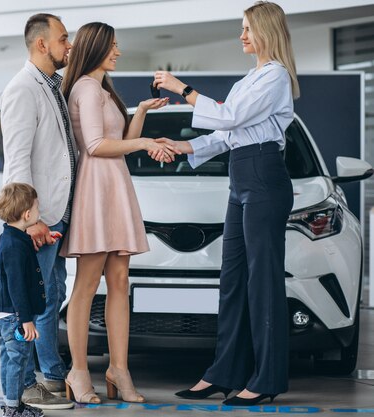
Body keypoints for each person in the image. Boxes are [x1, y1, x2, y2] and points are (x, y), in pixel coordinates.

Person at [153, 1, 299, 405]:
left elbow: (229, 116)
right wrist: (181, 146)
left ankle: (266, 379)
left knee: (263, 281)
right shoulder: (249, 79)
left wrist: (182, 88)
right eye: (241, 28)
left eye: (248, 29)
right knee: (232, 279)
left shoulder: (276, 78)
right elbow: (223, 133)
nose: (242, 35)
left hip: (265, 177)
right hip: (241, 176)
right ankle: (224, 372)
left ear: (266, 31)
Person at [59, 22, 173, 404]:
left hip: (114, 185)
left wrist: (139, 112)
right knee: (88, 284)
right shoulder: (86, 89)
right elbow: (94, 145)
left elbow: (119, 143)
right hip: (96, 189)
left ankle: (118, 369)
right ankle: (78, 371)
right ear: (96, 47)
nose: (118, 52)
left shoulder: (102, 90)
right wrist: (142, 141)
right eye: (113, 46)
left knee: (120, 281)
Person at [0, 13, 75, 410]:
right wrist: (30, 220)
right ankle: (25, 385)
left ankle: (47, 374)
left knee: (52, 295)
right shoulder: (22, 89)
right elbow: (18, 161)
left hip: (56, 213)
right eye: (64, 38)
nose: (70, 45)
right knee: (26, 301)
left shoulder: (53, 85)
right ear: (41, 44)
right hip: (38, 218)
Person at [0, 183, 47, 417]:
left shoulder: (13, 238)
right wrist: (26, 320)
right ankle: (13, 409)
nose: (38, 212)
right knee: (17, 360)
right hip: (15, 316)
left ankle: (11, 403)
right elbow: (17, 287)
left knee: (9, 358)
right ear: (27, 214)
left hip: (6, 313)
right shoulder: (14, 246)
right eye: (37, 208)